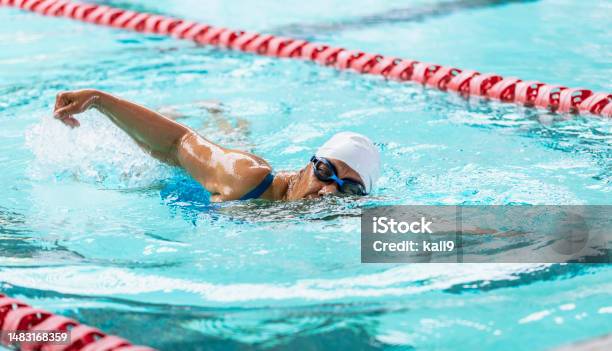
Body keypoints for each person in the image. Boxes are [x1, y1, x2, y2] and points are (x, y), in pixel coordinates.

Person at [53, 89, 381, 202]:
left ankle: (219, 115)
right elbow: (178, 142)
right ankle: (215, 111)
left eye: (348, 189)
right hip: (185, 179)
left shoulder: (334, 213)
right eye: (325, 171)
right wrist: (100, 100)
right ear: (307, 165)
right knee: (227, 149)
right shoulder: (246, 178)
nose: (328, 192)